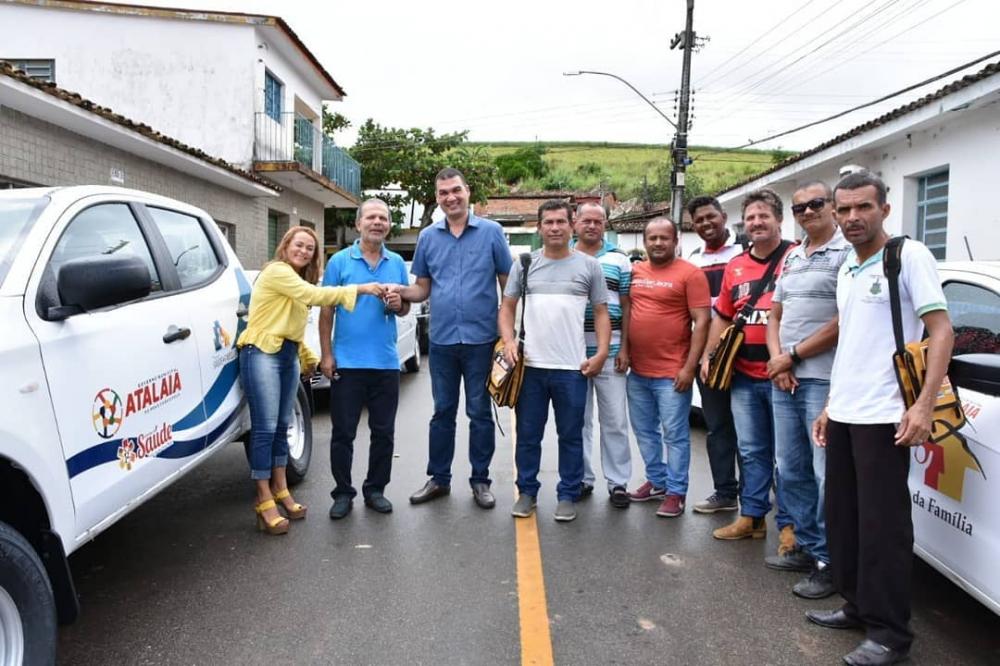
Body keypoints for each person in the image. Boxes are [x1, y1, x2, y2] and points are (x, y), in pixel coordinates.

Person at [809, 171, 952, 666]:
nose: (851, 218)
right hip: (848, 412)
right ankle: (857, 605)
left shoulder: (908, 257)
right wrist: (831, 404)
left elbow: (941, 331)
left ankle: (890, 635)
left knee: (883, 528)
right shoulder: (849, 266)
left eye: (862, 208)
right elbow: (852, 342)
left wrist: (923, 405)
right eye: (843, 209)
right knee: (845, 519)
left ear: (884, 210)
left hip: (887, 418)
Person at [237, 226, 381, 535]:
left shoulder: (296, 279)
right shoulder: (277, 271)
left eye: (310, 249)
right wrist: (361, 289)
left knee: (279, 427)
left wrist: (308, 358)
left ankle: (281, 489)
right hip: (261, 351)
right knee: (263, 429)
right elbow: (313, 296)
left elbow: (292, 326)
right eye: (299, 245)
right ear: (286, 244)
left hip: (286, 353)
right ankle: (263, 497)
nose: (304, 251)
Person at [398, 168, 513, 510]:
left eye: (456, 190)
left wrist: (510, 334)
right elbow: (421, 288)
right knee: (442, 412)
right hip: (444, 340)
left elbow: (509, 286)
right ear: (437, 198)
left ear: (467, 191)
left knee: (479, 412)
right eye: (444, 193)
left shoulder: (492, 233)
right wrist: (399, 292)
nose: (450, 197)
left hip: (482, 340)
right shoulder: (428, 238)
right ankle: (439, 479)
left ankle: (481, 481)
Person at [499, 200, 610, 523]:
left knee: (571, 435)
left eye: (561, 221)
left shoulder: (589, 266)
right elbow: (506, 308)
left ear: (572, 225)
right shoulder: (525, 263)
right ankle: (528, 492)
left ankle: (567, 494)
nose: (555, 228)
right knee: (529, 435)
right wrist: (508, 341)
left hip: (572, 368)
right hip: (530, 368)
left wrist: (601, 352)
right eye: (548, 222)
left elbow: (602, 312)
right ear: (539, 227)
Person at [764, 182, 850, 599]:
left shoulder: (849, 254)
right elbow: (774, 314)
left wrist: (791, 357)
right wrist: (779, 361)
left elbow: (842, 321)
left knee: (823, 473)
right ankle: (806, 546)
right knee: (791, 468)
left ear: (832, 207)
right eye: (799, 208)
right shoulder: (794, 257)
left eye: (816, 204)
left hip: (823, 379)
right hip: (787, 378)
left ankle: (831, 561)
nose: (808, 212)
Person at [702, 188, 795, 547]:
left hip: (785, 377)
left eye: (763, 216)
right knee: (753, 451)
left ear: (778, 219)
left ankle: (789, 525)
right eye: (751, 218)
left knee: (788, 457)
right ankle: (752, 516)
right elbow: (722, 316)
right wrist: (710, 355)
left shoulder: (796, 257)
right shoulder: (735, 266)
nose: (757, 223)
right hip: (742, 377)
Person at [320, 199, 410, 519]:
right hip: (347, 361)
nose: (377, 222)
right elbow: (326, 308)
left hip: (385, 363)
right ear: (358, 224)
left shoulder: (397, 262)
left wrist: (398, 303)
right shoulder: (340, 262)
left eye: (383, 218)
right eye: (371, 217)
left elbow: (405, 308)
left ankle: (375, 490)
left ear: (388, 225)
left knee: (383, 432)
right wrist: (326, 354)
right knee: (343, 432)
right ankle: (343, 492)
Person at [625, 217, 710, 517]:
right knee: (645, 432)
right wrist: (624, 350)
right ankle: (657, 482)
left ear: (676, 241)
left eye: (664, 238)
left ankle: (676, 492)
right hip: (638, 371)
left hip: (672, 373)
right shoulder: (635, 272)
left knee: (674, 435)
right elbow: (627, 312)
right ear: (644, 242)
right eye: (652, 238)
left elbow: (702, 321)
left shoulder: (690, 274)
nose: (658, 243)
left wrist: (689, 367)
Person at [570, 203, 633, 508]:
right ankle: (582, 479)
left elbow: (627, 303)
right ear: (575, 222)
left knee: (615, 420)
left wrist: (626, 348)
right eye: (586, 220)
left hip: (612, 351)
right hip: (572, 352)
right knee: (578, 421)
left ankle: (618, 482)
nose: (592, 226)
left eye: (598, 221)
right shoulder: (562, 255)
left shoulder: (619, 259)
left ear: (605, 224)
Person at [686, 196, 744, 514]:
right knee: (718, 425)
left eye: (711, 217)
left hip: (746, 354)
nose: (706, 224)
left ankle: (755, 496)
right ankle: (725, 492)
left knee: (752, 429)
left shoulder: (745, 251)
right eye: (699, 220)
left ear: (723, 217)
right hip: (709, 356)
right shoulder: (694, 260)